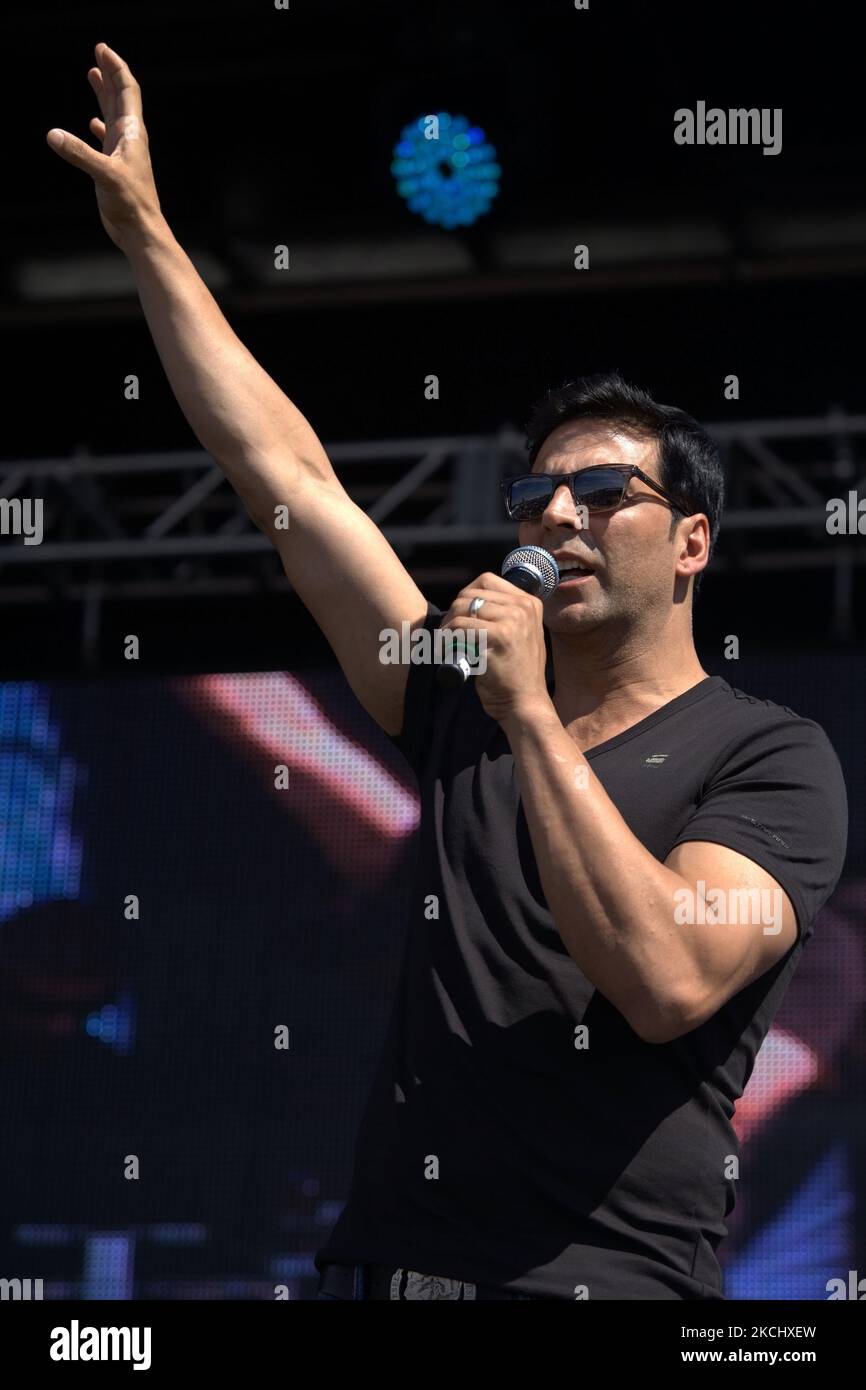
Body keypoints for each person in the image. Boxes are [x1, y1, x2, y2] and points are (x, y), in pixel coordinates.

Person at [48, 43, 849, 1301]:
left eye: (604, 493)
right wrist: (148, 232)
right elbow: (292, 483)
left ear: (691, 541)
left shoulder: (765, 756)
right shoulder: (456, 695)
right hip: (391, 1268)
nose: (560, 519)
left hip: (604, 1281)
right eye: (538, 495)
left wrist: (526, 709)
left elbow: (665, 977)